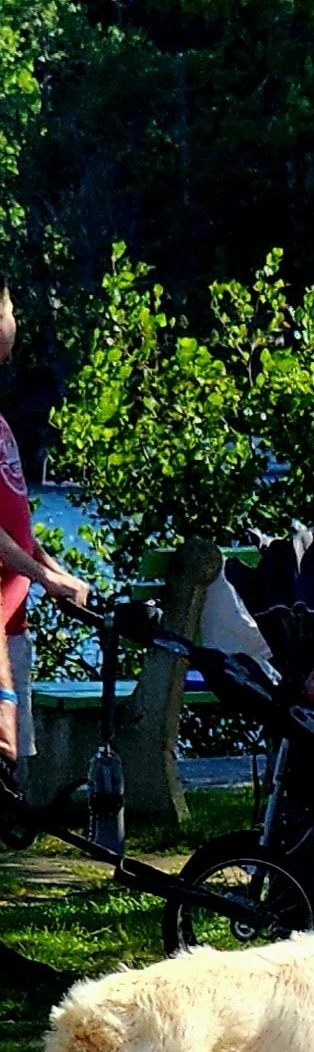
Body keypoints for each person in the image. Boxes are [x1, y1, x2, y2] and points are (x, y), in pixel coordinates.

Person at [0, 282, 90, 768]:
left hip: (13, 626)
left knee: (14, 773)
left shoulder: (2, 425)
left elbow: (16, 529)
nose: (18, 321)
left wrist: (55, 569)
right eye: (11, 309)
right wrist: (44, 577)